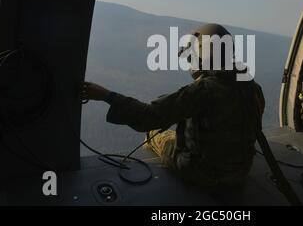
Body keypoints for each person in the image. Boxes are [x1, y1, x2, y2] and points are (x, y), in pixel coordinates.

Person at [83, 24, 265, 188]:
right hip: (240, 172)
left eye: (191, 57)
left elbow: (147, 117)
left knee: (154, 134)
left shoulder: (205, 90)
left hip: (204, 174)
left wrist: (106, 95)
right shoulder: (253, 88)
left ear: (202, 55)